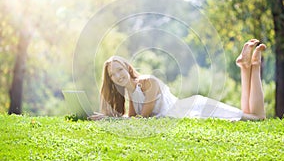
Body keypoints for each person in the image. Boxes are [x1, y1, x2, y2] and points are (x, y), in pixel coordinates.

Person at [89, 39, 266, 121]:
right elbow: (133, 118)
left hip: (193, 108)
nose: (117, 76)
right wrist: (108, 117)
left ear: (128, 68)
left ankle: (255, 65)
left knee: (257, 117)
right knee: (248, 113)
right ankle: (244, 66)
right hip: (187, 111)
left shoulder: (148, 82)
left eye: (119, 70)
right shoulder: (130, 90)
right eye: (112, 75)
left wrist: (113, 121)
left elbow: (143, 119)